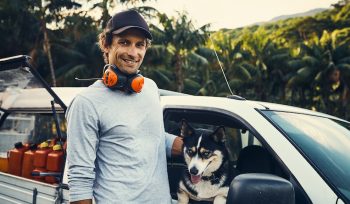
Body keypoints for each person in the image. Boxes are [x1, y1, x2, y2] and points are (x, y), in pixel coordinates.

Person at [66, 9, 183, 204]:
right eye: (124, 42)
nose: (133, 53)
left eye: (140, 45)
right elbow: (80, 179)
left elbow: (148, 137)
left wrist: (194, 146)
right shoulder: (86, 103)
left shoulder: (150, 89)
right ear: (106, 44)